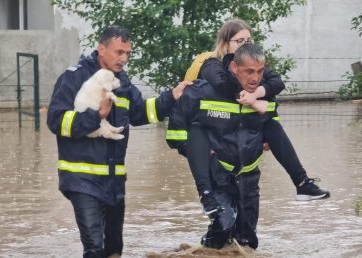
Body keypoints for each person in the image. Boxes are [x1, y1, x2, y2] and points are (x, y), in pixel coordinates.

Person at [47, 25, 190, 258]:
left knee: (114, 250)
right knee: (95, 248)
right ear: (101, 48)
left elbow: (142, 113)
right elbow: (56, 121)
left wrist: (171, 96)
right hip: (80, 179)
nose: (124, 59)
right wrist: (97, 116)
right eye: (118, 52)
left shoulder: (121, 81)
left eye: (127, 54)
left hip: (114, 182)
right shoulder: (74, 77)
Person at [184, 19, 330, 210]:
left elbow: (277, 83)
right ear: (225, 43)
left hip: (241, 136)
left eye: (249, 41)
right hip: (216, 137)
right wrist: (254, 97)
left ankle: (302, 184)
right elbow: (223, 85)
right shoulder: (211, 64)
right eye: (239, 41)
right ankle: (213, 219)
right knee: (223, 216)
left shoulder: (252, 66)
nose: (246, 45)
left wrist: (256, 96)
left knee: (271, 125)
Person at [167, 43, 278, 249]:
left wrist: (265, 139)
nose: (255, 77)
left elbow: (271, 126)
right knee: (224, 224)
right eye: (239, 41)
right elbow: (176, 134)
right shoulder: (204, 91)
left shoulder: (261, 94)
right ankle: (203, 250)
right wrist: (202, 154)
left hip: (248, 177)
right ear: (233, 63)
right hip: (217, 171)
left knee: (247, 241)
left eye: (259, 71)